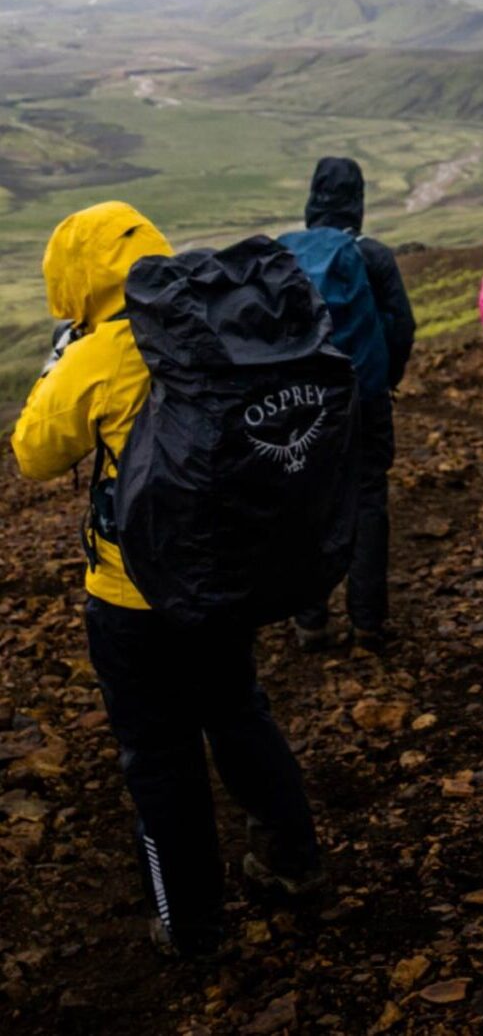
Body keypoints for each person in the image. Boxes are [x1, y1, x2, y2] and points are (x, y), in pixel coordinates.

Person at [11, 202, 322, 959]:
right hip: (224, 576)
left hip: (133, 595)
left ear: (77, 280)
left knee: (158, 757)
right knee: (239, 713)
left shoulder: (99, 353)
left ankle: (193, 928)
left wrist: (62, 360)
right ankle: (295, 865)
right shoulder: (220, 320)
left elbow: (34, 454)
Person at [293, 157, 415, 652]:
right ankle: (367, 623)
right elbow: (402, 327)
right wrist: (387, 378)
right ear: (358, 201)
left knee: (307, 504)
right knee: (367, 502)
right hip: (364, 398)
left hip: (303, 404)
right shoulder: (373, 256)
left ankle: (310, 620)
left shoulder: (288, 255)